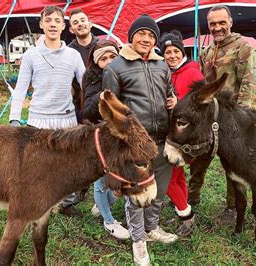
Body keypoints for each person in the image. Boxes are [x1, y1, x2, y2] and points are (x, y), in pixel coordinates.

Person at [102, 14, 178, 266]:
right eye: (141, 34)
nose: (146, 39)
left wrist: (174, 100)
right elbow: (111, 109)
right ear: (131, 37)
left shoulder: (162, 65)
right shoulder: (116, 68)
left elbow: (169, 94)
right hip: (135, 144)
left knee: (160, 189)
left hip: (162, 137)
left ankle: (151, 227)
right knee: (136, 194)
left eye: (151, 35)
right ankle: (138, 240)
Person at [190, 5, 256, 223]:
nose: (217, 27)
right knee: (199, 159)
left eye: (221, 22)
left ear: (230, 22)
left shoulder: (242, 47)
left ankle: (233, 206)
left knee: (233, 165)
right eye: (212, 24)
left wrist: (243, 120)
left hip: (231, 119)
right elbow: (202, 84)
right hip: (208, 118)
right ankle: (192, 198)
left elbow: (248, 83)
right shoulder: (207, 51)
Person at [9, 6, 85, 132]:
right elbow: (21, 88)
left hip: (67, 123)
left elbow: (86, 86)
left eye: (57, 21)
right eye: (48, 20)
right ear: (41, 24)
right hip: (37, 122)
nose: (53, 24)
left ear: (63, 26)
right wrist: (14, 118)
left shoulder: (74, 55)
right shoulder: (30, 55)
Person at [82, 40, 129, 239]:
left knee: (122, 179)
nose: (109, 62)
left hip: (122, 134)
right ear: (96, 62)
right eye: (103, 59)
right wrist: (101, 97)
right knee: (102, 181)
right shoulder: (92, 79)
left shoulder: (125, 73)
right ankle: (109, 221)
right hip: (102, 136)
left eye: (112, 56)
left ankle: (101, 205)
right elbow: (87, 110)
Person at [159, 30, 204, 237]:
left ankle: (186, 214)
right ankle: (181, 208)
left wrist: (180, 105)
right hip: (168, 133)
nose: (172, 55)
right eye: (167, 52)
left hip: (184, 137)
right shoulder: (163, 71)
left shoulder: (193, 73)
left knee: (167, 180)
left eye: (176, 51)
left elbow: (202, 105)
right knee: (177, 176)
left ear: (182, 51)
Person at [59, 8, 100, 215]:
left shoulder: (103, 45)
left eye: (83, 20)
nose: (80, 24)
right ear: (71, 28)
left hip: (101, 105)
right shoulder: (69, 51)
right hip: (79, 106)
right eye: (75, 22)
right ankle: (78, 190)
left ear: (90, 23)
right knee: (80, 147)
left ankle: (100, 193)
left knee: (101, 145)